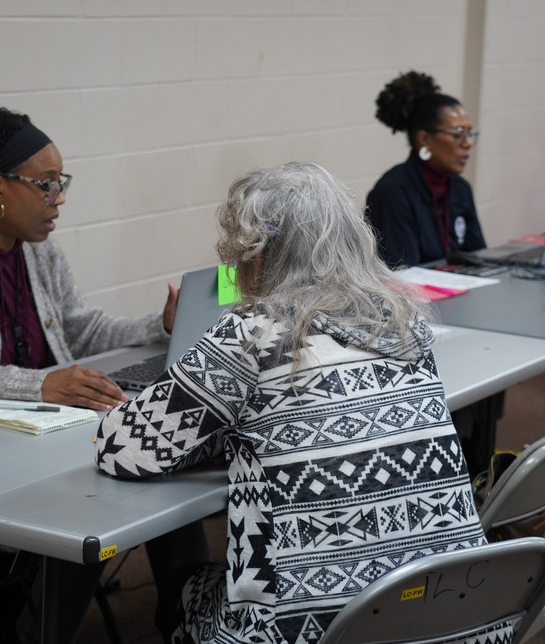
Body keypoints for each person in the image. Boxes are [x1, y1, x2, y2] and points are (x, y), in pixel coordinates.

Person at [96, 162, 489, 644]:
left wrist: (210, 431)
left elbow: (123, 450)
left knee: (181, 582)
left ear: (258, 257)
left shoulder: (253, 335)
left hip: (308, 633)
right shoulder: (405, 326)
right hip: (450, 615)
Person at [0, 101, 206, 643]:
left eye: (61, 182)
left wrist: (162, 325)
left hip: (41, 437)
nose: (60, 199)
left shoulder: (38, 250)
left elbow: (79, 328)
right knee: (90, 510)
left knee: (160, 472)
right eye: (47, 184)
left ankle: (191, 625)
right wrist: (38, 385)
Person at [366, 70, 486, 267]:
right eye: (459, 134)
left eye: (470, 133)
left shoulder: (460, 189)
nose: (468, 143)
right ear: (424, 139)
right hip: (413, 297)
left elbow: (479, 257)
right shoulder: (392, 192)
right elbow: (401, 275)